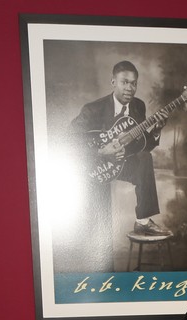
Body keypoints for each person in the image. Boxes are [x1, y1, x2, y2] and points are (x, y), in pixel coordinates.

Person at [71, 59, 169, 237]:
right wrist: (101, 152)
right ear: (113, 82)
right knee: (99, 230)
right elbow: (67, 141)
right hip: (93, 167)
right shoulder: (93, 110)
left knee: (144, 158)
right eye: (124, 82)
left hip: (123, 164)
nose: (129, 88)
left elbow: (141, 145)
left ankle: (143, 221)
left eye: (134, 83)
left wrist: (156, 130)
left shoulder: (138, 106)